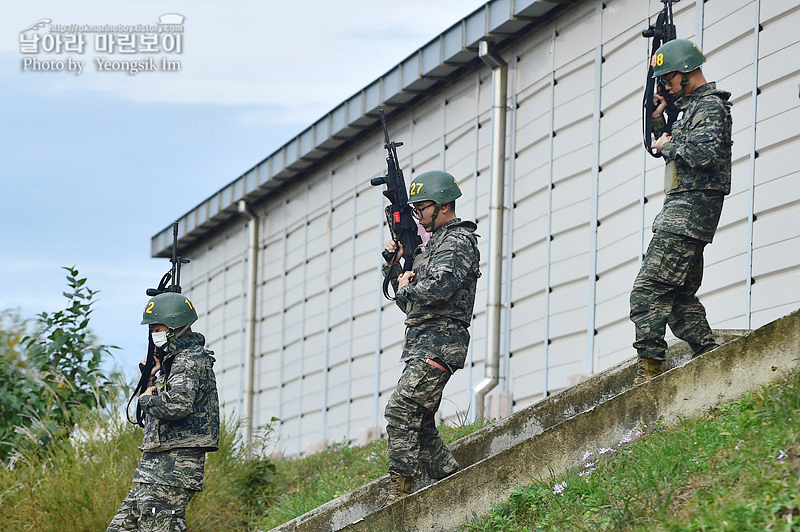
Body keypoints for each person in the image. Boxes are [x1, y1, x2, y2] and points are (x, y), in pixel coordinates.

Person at [630, 39, 732, 383]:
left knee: (648, 289)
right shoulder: (693, 109)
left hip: (688, 213)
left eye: (668, 78)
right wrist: (659, 122)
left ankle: (648, 374)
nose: (665, 86)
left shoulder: (710, 108)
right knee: (677, 295)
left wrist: (668, 144)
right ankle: (710, 355)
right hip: (683, 210)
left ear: (686, 73)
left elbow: (703, 157)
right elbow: (682, 148)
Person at [381, 170, 481, 505]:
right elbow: (406, 300)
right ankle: (450, 477)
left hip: (442, 341)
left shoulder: (457, 241)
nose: (418, 217)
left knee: (400, 410)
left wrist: (407, 289)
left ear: (443, 206)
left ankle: (399, 491)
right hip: (423, 340)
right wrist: (394, 268)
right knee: (421, 423)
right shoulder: (431, 246)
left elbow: (440, 288)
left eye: (422, 208)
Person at [107, 292, 220, 532]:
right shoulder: (175, 361)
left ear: (175, 326)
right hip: (156, 468)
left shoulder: (188, 360)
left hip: (173, 469)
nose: (153, 334)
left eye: (157, 328)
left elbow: (178, 405)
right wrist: (151, 377)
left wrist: (147, 400)